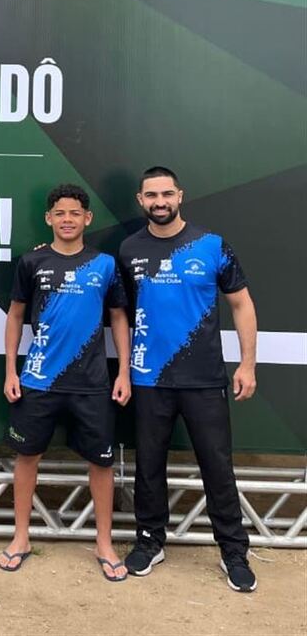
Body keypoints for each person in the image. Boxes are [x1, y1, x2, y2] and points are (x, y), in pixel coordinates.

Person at [120, 167, 258, 592]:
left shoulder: (212, 245)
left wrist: (248, 364)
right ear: (140, 201)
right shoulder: (128, 250)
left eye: (166, 193)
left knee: (217, 466)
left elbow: (242, 305)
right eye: (151, 195)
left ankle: (234, 551)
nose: (159, 201)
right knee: (149, 465)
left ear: (180, 195)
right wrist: (124, 370)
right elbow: (120, 315)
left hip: (204, 379)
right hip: (148, 379)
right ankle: (149, 540)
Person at [0, 183, 131, 580]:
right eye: (60, 213)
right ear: (48, 219)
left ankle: (104, 543)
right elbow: (15, 316)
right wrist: (11, 370)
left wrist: (123, 371)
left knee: (102, 463)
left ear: (87, 218)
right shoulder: (32, 263)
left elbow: (120, 318)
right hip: (38, 380)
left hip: (92, 383)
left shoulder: (105, 265)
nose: (68, 220)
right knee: (27, 458)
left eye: (75, 213)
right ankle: (21, 537)